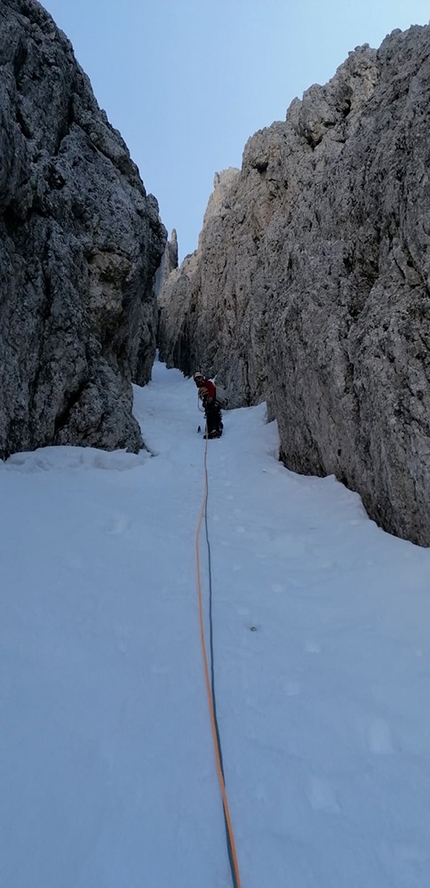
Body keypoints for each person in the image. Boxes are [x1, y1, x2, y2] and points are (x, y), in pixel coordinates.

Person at [193, 371, 223, 439]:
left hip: (212, 404)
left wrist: (210, 397)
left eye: (199, 378)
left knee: (212, 414)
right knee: (210, 415)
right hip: (210, 405)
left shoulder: (207, 383)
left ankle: (214, 430)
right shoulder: (203, 386)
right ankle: (213, 429)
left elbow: (212, 389)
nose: (198, 381)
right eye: (196, 379)